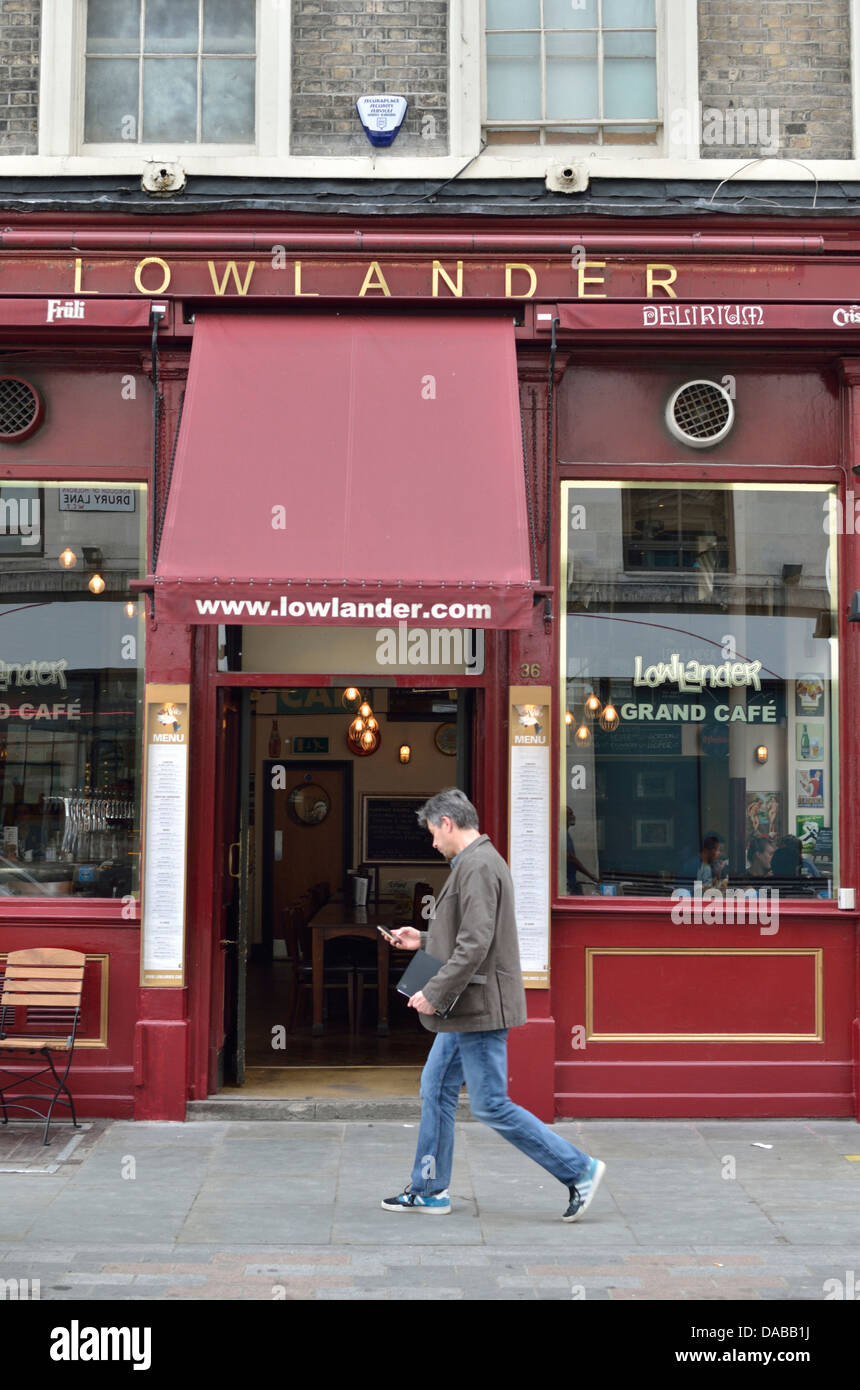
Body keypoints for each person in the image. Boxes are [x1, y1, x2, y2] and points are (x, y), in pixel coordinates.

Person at [381, 788, 605, 1223]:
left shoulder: (478, 866)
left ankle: (579, 1170)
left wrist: (435, 991)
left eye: (432, 833)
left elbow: (475, 945)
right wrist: (421, 940)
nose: (432, 843)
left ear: (447, 823)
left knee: (490, 1105)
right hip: (468, 1008)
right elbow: (466, 938)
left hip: (478, 1008)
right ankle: (428, 1190)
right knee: (436, 1087)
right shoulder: (474, 862)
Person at [566, 808, 599, 894]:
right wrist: (590, 876)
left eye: (572, 814)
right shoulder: (562, 835)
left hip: (571, 881)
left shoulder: (566, 834)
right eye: (570, 814)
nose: (573, 816)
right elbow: (571, 858)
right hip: (567, 883)